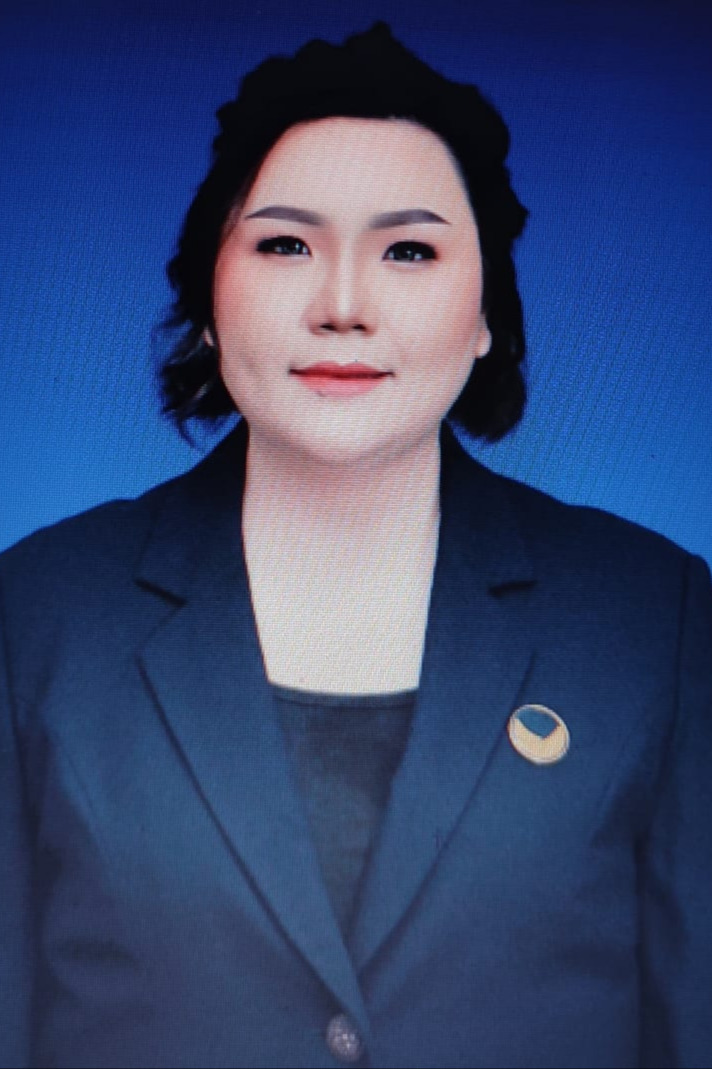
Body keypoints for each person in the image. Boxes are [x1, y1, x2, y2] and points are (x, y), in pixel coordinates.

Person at [1, 21, 711, 1069]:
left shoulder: (651, 617)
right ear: (209, 295)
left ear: (485, 311)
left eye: (408, 250)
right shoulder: (38, 614)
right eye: (285, 244)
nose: (342, 306)